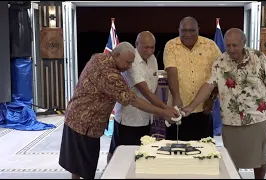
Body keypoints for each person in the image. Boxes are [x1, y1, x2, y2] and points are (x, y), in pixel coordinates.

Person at [58, 42, 180, 179]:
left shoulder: (98, 57)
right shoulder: (110, 75)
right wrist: (164, 112)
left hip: (76, 116)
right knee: (86, 167)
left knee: (78, 166)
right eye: (127, 63)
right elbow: (133, 100)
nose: (128, 67)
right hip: (85, 123)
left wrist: (164, 109)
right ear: (116, 55)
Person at [182, 28, 266, 179]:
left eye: (235, 45)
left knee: (260, 157)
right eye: (228, 46)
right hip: (231, 120)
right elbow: (209, 86)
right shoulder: (220, 62)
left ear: (244, 43)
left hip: (258, 117)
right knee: (232, 159)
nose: (231, 50)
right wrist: (191, 107)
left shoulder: (258, 57)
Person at [107, 31, 176, 162]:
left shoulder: (153, 59)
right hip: (128, 119)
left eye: (152, 47)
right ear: (137, 44)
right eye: (146, 47)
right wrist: (164, 110)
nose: (149, 51)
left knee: (140, 153)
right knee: (118, 152)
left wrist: (160, 110)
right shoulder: (130, 61)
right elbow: (145, 91)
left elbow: (153, 88)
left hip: (146, 117)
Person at [163, 16, 222, 141]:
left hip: (203, 110)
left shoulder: (210, 46)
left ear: (198, 30)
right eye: (184, 31)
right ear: (178, 30)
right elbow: (171, 72)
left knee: (204, 153)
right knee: (175, 152)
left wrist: (212, 99)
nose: (188, 34)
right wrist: (176, 97)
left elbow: (219, 74)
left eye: (192, 30)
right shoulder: (171, 45)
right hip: (177, 109)